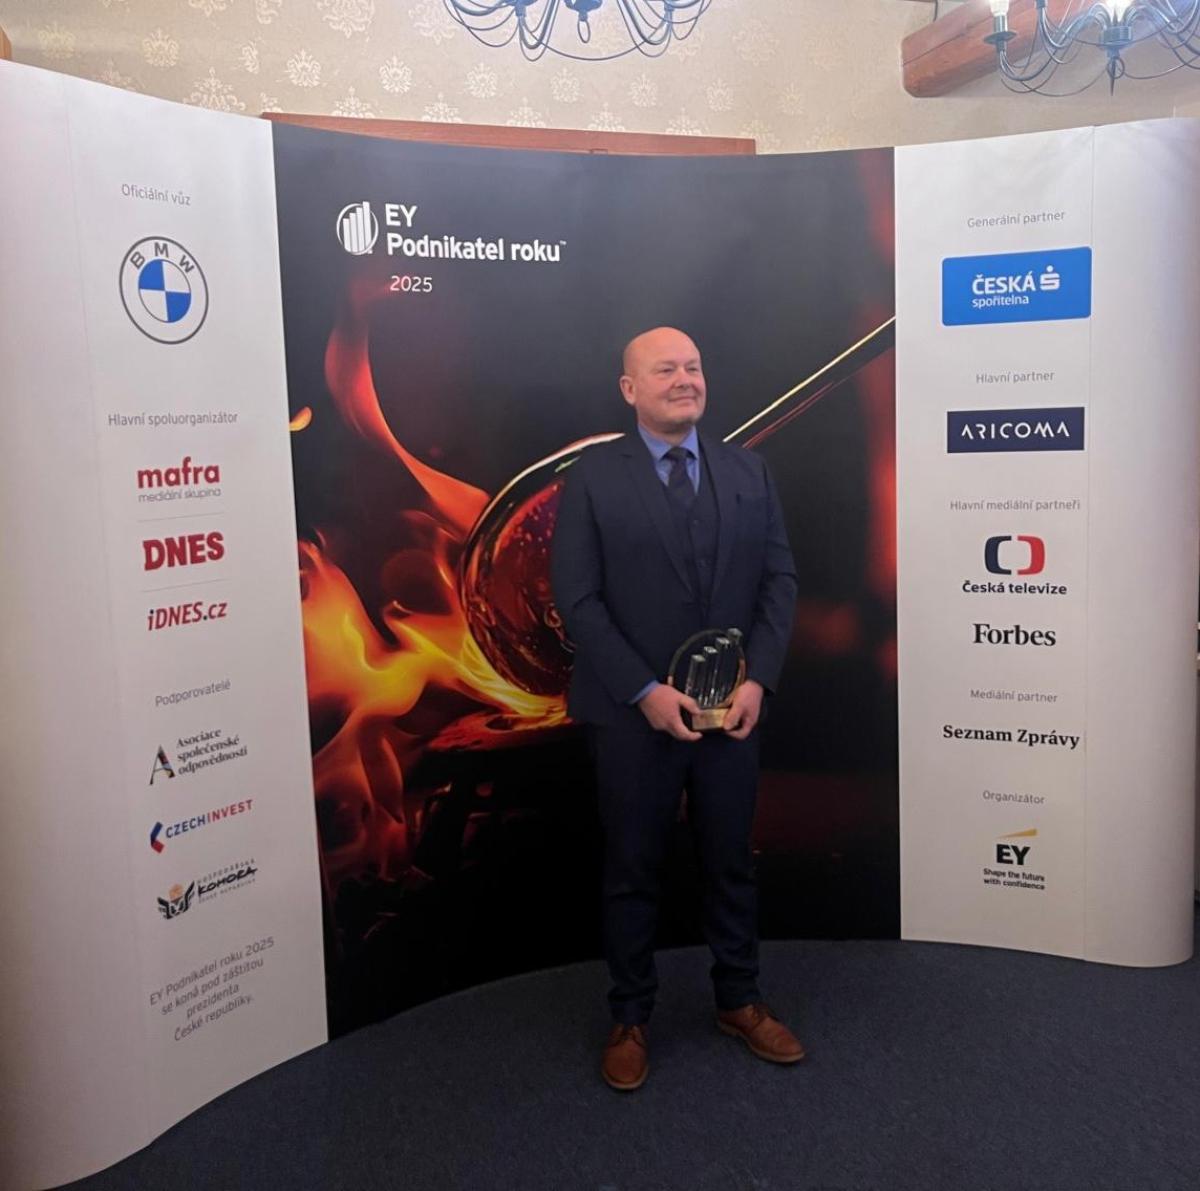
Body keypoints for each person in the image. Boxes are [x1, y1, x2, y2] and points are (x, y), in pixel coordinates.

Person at [550, 326, 804, 1092]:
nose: (685, 379)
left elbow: (780, 581)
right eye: (665, 369)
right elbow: (578, 600)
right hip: (634, 717)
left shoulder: (748, 470)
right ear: (629, 389)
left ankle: (740, 998)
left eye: (693, 366)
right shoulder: (591, 477)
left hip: (734, 716)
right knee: (633, 868)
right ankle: (630, 1015)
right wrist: (645, 691)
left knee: (731, 861)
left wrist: (759, 680)